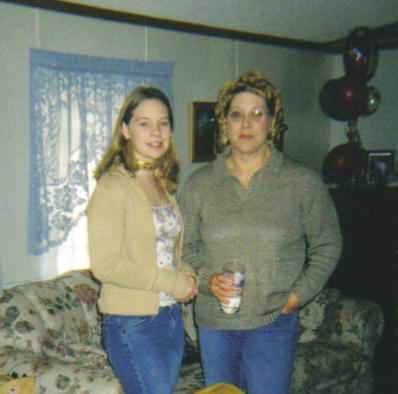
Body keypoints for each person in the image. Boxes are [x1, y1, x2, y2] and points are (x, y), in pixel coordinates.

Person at [179, 71, 342, 394]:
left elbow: (328, 245)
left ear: (272, 122)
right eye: (237, 115)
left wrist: (297, 296)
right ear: (224, 123)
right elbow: (183, 246)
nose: (246, 124)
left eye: (257, 114)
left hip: (272, 324)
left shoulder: (301, 182)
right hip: (215, 325)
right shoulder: (200, 183)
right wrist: (207, 277)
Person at [87, 86, 198, 394]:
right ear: (125, 130)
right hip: (132, 323)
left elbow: (165, 251)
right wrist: (172, 282)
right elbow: (105, 266)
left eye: (163, 123)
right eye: (144, 123)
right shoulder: (112, 187)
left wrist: (186, 273)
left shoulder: (161, 182)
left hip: (170, 317)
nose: (156, 132)